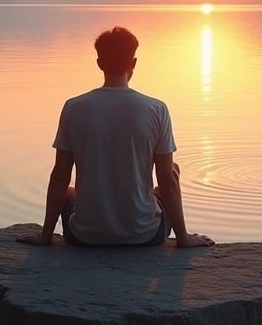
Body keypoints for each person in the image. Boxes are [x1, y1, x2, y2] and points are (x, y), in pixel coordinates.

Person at [16, 26, 214, 248]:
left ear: (99, 63)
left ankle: (75, 226)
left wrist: (45, 236)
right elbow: (166, 179)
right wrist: (183, 238)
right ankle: (163, 225)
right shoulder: (156, 109)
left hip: (84, 236)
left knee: (69, 191)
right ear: (134, 63)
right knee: (172, 171)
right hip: (144, 235)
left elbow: (60, 174)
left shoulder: (73, 108)